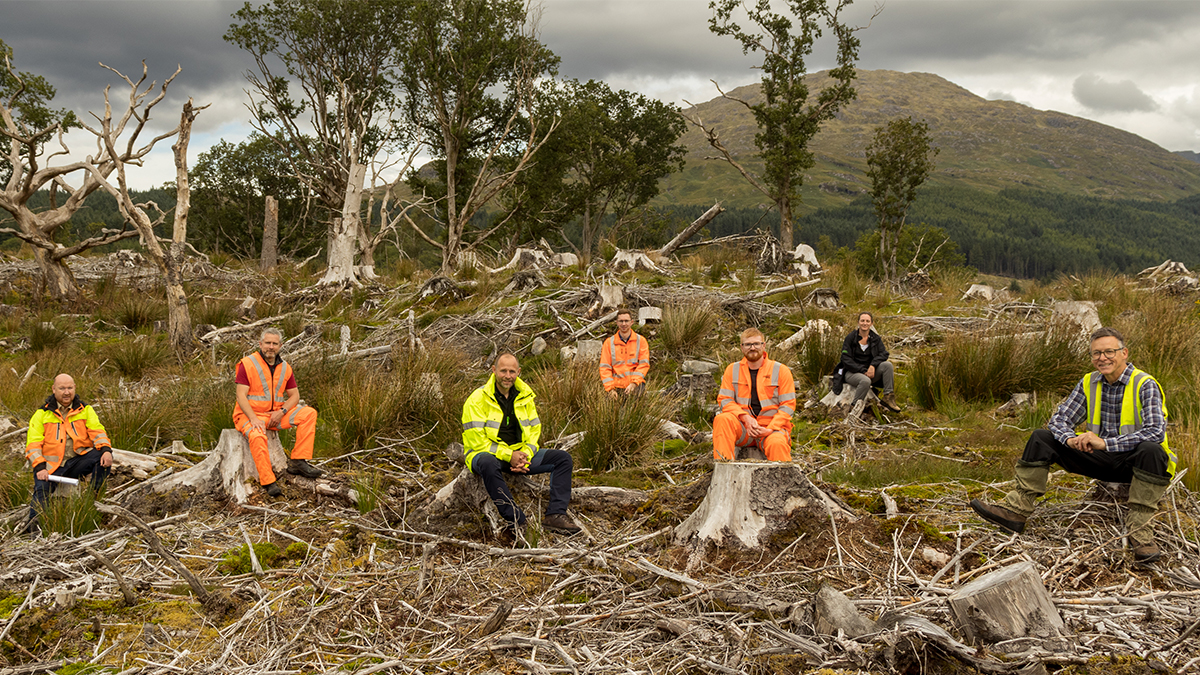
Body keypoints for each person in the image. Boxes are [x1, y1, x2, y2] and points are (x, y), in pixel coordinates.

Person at [971, 327, 1177, 564]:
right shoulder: (1089, 382)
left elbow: (1155, 432)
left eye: (1109, 351)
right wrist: (1070, 438)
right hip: (1100, 459)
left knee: (1152, 449)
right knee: (1041, 437)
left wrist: (1106, 443)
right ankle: (1015, 511)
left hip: (1136, 465)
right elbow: (1059, 420)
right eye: (1096, 353)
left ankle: (1140, 532)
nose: (1102, 358)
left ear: (1124, 353)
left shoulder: (1145, 384)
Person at [462, 353, 581, 542]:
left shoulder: (525, 396)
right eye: (503, 371)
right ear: (494, 371)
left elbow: (534, 433)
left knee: (562, 459)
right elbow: (477, 442)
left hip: (519, 455)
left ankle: (555, 515)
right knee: (486, 462)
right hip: (486, 455)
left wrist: (524, 455)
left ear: (518, 372)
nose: (507, 376)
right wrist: (509, 456)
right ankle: (516, 519)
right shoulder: (477, 399)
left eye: (511, 371)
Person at [234, 328, 322, 498]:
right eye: (267, 343)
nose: (271, 347)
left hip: (275, 415)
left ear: (280, 346)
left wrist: (282, 412)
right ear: (260, 344)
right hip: (249, 415)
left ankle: (298, 461)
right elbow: (240, 396)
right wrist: (253, 418)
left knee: (309, 413)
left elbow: (295, 395)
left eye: (275, 343)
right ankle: (268, 481)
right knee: (257, 436)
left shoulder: (285, 367)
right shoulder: (248, 364)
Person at [24, 374, 113, 536]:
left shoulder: (85, 410)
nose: (66, 392)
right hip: (50, 467)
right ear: (54, 389)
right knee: (41, 494)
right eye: (62, 388)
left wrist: (106, 450)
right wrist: (40, 467)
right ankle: (33, 533)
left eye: (69, 388)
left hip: (76, 462)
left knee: (103, 457)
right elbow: (33, 444)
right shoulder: (41, 414)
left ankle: (93, 498)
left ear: (75, 388)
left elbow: (98, 431)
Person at [713, 328, 796, 462]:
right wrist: (745, 418)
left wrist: (770, 429)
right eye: (748, 344)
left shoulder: (781, 370)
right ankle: (723, 468)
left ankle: (784, 481)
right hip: (744, 429)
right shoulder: (732, 370)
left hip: (771, 430)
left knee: (777, 444)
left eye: (756, 344)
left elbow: (788, 406)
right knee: (722, 419)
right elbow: (724, 400)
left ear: (763, 345)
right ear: (741, 347)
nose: (753, 348)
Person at [839, 311, 900, 412]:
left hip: (870, 372)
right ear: (858, 322)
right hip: (852, 373)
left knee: (887, 365)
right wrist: (863, 370)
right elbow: (845, 359)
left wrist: (872, 365)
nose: (865, 323)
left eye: (867, 321)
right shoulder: (850, 338)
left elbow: (884, 354)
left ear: (871, 323)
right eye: (862, 321)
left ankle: (888, 397)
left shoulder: (875, 338)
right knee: (865, 381)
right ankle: (855, 408)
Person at [599, 308, 650, 398]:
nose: (624, 324)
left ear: (632, 322)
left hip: (635, 386)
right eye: (621, 321)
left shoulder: (641, 341)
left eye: (626, 321)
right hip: (615, 387)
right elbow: (604, 368)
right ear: (617, 322)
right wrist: (610, 389)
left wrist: (634, 383)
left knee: (636, 409)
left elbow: (644, 364)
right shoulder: (609, 343)